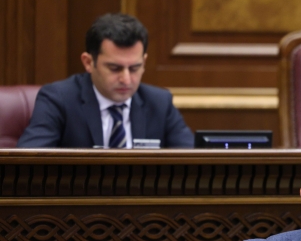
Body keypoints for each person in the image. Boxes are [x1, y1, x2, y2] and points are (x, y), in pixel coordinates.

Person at [17, 13, 193, 148]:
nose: (126, 79)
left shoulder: (159, 102)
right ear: (88, 62)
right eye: (114, 68)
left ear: (144, 62)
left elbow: (191, 161)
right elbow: (28, 162)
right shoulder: (59, 99)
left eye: (134, 68)